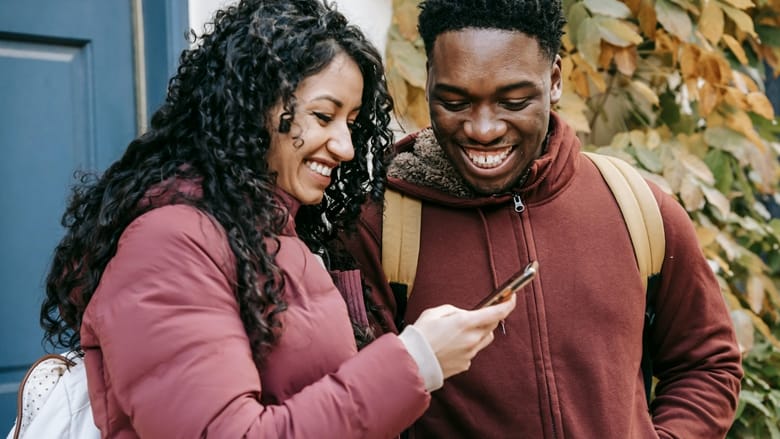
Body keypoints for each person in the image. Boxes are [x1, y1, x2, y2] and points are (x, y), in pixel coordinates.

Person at [38, 0, 516, 437]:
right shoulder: (169, 243)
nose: (346, 147)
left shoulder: (280, 233)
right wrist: (415, 361)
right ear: (251, 106)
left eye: (350, 123)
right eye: (323, 116)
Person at [342, 0, 744, 437]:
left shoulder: (636, 207)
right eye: (455, 102)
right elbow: (356, 409)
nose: (483, 129)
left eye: (513, 102)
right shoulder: (380, 225)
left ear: (554, 81)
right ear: (429, 81)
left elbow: (708, 363)